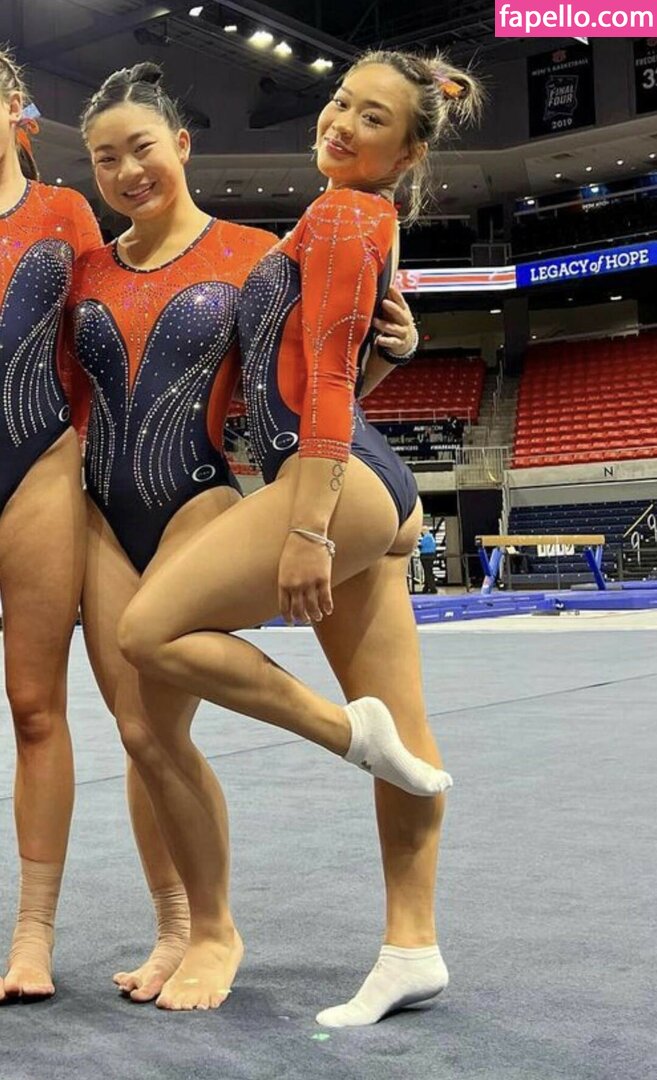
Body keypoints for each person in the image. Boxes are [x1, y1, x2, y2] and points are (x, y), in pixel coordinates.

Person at [118, 49, 481, 1018]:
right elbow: (338, 377)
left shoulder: (345, 217)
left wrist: (309, 531)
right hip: (360, 475)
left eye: (373, 119)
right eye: (341, 102)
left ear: (406, 153)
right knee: (408, 738)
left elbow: (320, 386)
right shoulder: (355, 220)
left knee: (147, 631)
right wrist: (393, 360)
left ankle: (342, 732)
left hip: (334, 484)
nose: (342, 124)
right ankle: (413, 947)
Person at [64, 62, 277, 1006]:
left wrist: (390, 356)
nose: (126, 171)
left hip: (197, 501)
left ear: (182, 145)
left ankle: (216, 931)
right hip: (100, 515)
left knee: (161, 729)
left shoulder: (253, 254)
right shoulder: (84, 269)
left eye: (141, 148)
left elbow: (291, 398)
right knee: (138, 735)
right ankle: (173, 929)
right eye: (104, 159)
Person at [0, 50, 102, 1002]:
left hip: (37, 467)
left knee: (36, 708)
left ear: (13, 108)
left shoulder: (64, 213)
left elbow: (115, 335)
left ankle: (33, 934)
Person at [419, 526, 438, 593]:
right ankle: (426, 588)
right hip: (431, 555)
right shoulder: (431, 537)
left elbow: (421, 545)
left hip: (426, 556)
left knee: (428, 572)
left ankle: (433, 588)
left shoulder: (426, 537)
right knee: (428, 571)